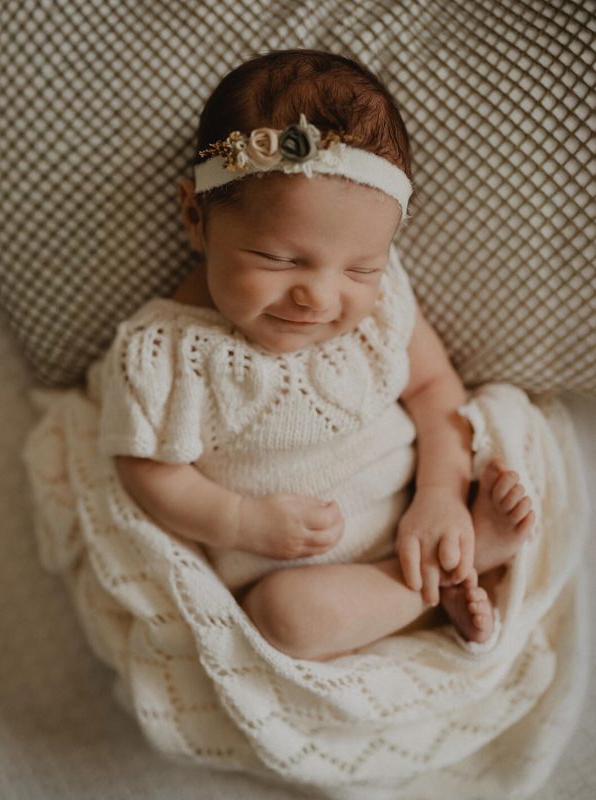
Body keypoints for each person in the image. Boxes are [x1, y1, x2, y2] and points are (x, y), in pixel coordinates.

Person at [101, 49, 535, 662]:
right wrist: (239, 524)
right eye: (280, 259)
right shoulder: (164, 352)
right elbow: (142, 468)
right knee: (285, 619)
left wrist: (441, 493)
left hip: (417, 509)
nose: (319, 296)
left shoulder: (380, 307)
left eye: (361, 268)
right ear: (196, 216)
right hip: (298, 576)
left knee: (505, 444)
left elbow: (437, 386)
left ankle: (459, 546)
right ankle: (438, 586)